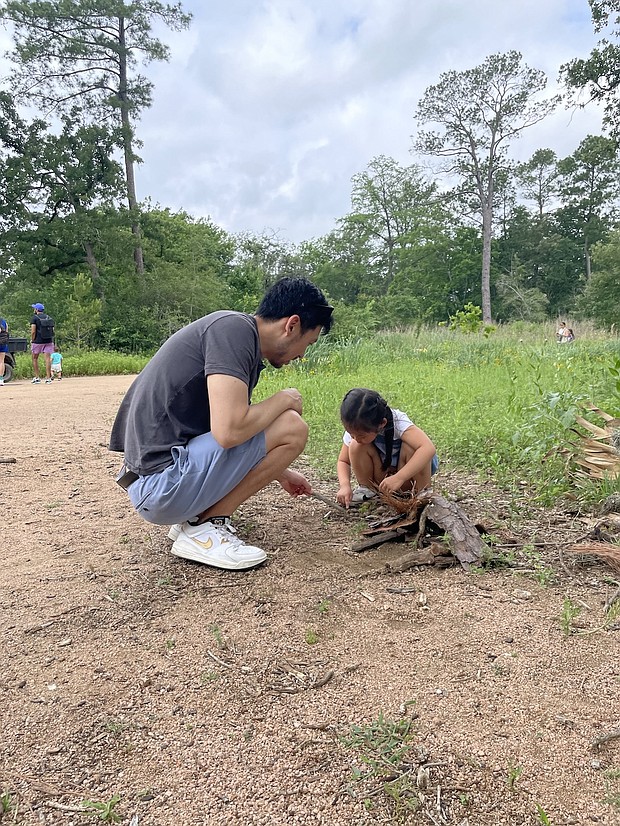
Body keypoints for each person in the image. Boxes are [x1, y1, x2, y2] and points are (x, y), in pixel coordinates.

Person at [109, 277, 334, 571]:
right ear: (291, 325)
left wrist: (281, 472)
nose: (302, 354)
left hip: (151, 480)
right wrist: (285, 399)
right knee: (291, 426)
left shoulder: (234, 336)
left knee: (274, 424)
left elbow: (228, 432)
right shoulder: (234, 332)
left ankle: (194, 521)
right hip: (159, 486)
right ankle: (206, 526)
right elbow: (229, 432)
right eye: (309, 342)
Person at [336, 388, 439, 508]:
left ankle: (423, 493)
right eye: (351, 434)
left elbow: (428, 448)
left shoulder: (399, 423)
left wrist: (399, 477)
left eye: (361, 436)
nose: (355, 437)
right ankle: (368, 491)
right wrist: (345, 486)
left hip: (408, 478)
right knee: (355, 445)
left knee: (414, 447)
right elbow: (343, 461)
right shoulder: (357, 427)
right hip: (385, 483)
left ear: (382, 424)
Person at [30, 302, 55, 383]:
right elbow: (53, 330)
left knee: (34, 358)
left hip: (38, 341)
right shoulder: (48, 317)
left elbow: (33, 331)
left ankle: (37, 377)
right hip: (48, 341)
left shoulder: (34, 318)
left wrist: (33, 339)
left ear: (37, 310)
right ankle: (48, 378)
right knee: (47, 359)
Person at [0, 315, 8, 387]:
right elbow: (6, 332)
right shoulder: (4, 322)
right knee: (1, 361)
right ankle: (1, 379)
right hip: (2, 343)